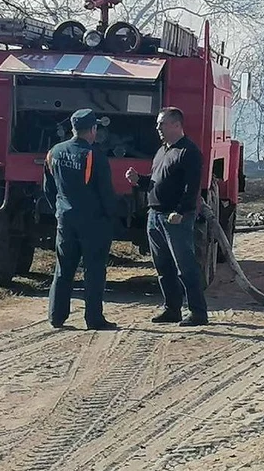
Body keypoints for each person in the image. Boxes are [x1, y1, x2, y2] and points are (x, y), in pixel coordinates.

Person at [125, 107, 208, 327]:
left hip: (175, 218)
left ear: (176, 124)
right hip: (155, 215)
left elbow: (192, 188)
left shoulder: (188, 152)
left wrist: (180, 212)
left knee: (185, 266)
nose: (158, 128)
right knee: (163, 267)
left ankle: (198, 312)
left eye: (161, 124)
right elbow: (156, 181)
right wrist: (139, 181)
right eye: (158, 124)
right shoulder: (163, 150)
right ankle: (172, 309)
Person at [43, 108, 118, 331]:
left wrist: (59, 210)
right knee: (94, 270)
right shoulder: (95, 157)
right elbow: (106, 194)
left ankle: (56, 316)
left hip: (65, 219)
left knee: (63, 268)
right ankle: (94, 319)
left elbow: (48, 189)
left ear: (72, 128)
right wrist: (112, 218)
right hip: (93, 223)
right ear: (93, 129)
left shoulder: (54, 152)